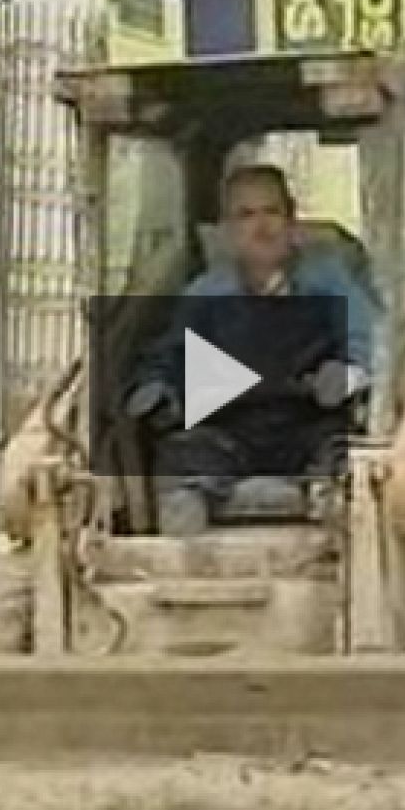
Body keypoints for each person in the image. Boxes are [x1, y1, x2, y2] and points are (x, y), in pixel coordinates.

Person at [125, 164, 377, 535]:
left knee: (342, 454)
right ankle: (187, 533)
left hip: (309, 425)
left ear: (292, 222)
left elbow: (372, 344)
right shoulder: (204, 296)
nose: (262, 227)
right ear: (226, 232)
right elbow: (168, 359)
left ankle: (333, 509)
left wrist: (349, 375)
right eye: (246, 215)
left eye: (272, 212)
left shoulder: (332, 283)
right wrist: (157, 390)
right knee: (184, 455)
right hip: (230, 431)